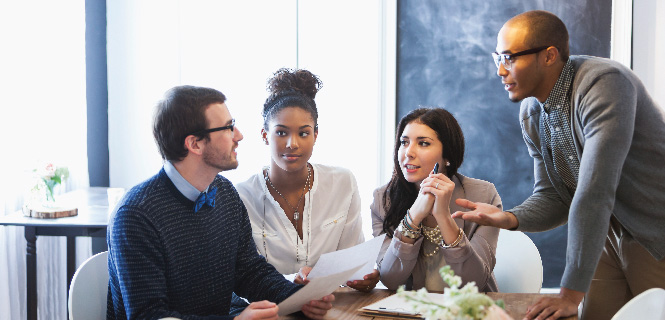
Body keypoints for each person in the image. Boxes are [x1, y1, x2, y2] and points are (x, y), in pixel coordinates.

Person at [452, 10, 665, 320]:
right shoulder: (531, 113)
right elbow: (554, 196)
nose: (499, 70)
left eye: (509, 57)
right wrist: (509, 218)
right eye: (497, 57)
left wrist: (569, 294)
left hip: (655, 232)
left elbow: (595, 191)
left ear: (549, 56)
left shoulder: (605, 84)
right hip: (605, 234)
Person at [107, 85, 334, 320]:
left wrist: (298, 297)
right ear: (194, 144)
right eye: (227, 128)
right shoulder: (135, 215)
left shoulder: (223, 191)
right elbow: (150, 316)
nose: (239, 135)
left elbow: (249, 271)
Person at [235, 68, 379, 292]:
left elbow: (353, 260)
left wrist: (363, 275)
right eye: (281, 132)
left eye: (303, 133)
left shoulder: (343, 183)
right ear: (265, 135)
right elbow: (241, 279)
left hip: (333, 308)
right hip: (272, 312)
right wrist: (292, 279)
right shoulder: (241, 196)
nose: (292, 143)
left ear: (315, 135)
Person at [372, 107, 502, 292]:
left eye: (423, 143)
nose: (408, 152)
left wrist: (443, 216)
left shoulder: (483, 196)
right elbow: (391, 279)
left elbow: (472, 282)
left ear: (447, 154)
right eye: (404, 142)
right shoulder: (383, 200)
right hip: (410, 311)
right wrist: (413, 216)